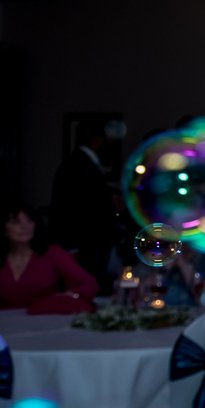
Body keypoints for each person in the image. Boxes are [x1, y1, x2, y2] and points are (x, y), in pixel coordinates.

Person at [0, 200, 99, 311]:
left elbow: (89, 284)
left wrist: (70, 296)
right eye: (16, 222)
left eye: (29, 220)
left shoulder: (52, 253)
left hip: (45, 320)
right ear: (3, 229)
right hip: (6, 326)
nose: (25, 227)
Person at [50, 117, 121, 293]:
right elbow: (76, 208)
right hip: (86, 242)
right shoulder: (79, 165)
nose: (111, 142)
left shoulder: (81, 162)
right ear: (97, 138)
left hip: (89, 242)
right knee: (87, 285)